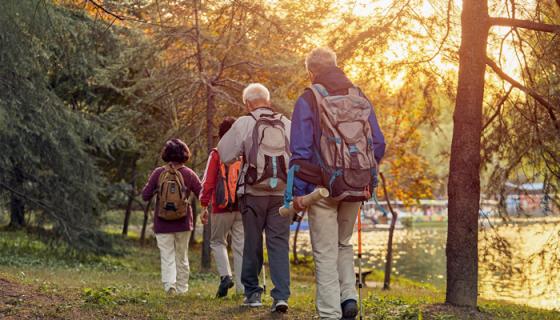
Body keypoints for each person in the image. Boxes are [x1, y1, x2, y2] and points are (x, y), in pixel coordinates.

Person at [288, 47, 386, 320]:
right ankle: (349, 298)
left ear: (311, 72)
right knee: (344, 243)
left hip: (321, 188)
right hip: (356, 184)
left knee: (325, 251)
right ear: (336, 66)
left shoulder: (309, 99)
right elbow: (378, 143)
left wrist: (298, 195)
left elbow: (300, 150)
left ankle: (330, 313)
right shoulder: (359, 96)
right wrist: (361, 172)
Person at [217, 83, 292, 313]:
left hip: (253, 193)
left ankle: (253, 294)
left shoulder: (244, 122)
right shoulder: (287, 123)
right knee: (279, 243)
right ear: (268, 101)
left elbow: (225, 154)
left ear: (247, 103)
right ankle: (280, 297)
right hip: (281, 193)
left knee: (252, 242)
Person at [142, 139, 202, 295]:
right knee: (182, 256)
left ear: (166, 154)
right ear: (185, 154)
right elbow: (203, 194)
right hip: (183, 222)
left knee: (167, 255)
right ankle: (182, 289)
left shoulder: (158, 173)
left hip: (162, 222)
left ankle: (170, 285)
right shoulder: (189, 174)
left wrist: (156, 189)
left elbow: (145, 196)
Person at [199, 117, 244, 298]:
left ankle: (226, 276)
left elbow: (208, 182)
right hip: (242, 207)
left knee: (217, 242)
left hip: (221, 206)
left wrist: (204, 205)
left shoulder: (217, 154)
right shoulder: (244, 154)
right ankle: (242, 288)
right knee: (241, 247)